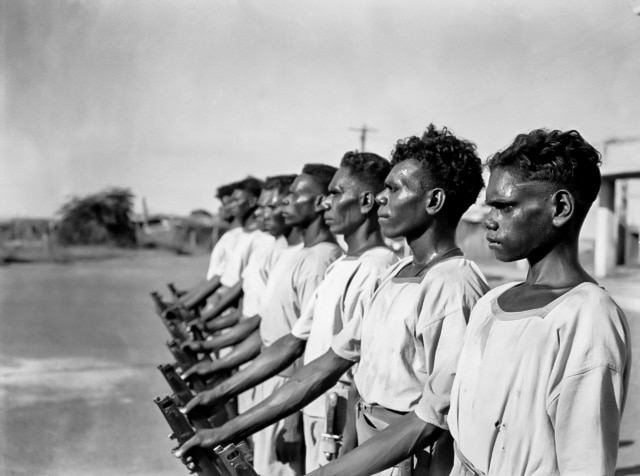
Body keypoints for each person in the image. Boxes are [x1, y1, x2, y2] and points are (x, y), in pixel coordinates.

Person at [175, 124, 489, 476]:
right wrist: (224, 430)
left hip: (408, 460)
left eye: (394, 188)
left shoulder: (453, 285)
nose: (382, 199)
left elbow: (432, 421)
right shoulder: (396, 273)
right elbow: (328, 364)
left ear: (433, 201)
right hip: (370, 454)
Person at [183, 152, 399, 472]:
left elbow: (354, 369)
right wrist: (216, 394)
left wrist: (344, 448)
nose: (326, 203)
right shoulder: (341, 264)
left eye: (335, 194)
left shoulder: (377, 268)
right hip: (310, 402)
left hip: (335, 415)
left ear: (366, 201)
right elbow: (292, 341)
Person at [447, 128, 631, 476]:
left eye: (505, 206)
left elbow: (585, 463)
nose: (489, 219)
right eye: (490, 206)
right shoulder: (491, 303)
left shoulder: (587, 317)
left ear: (560, 208)